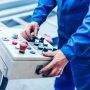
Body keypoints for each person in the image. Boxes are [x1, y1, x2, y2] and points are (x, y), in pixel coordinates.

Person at [22, 0, 90, 89]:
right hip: (64, 41)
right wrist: (36, 19)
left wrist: (69, 50)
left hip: (85, 47)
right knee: (63, 81)